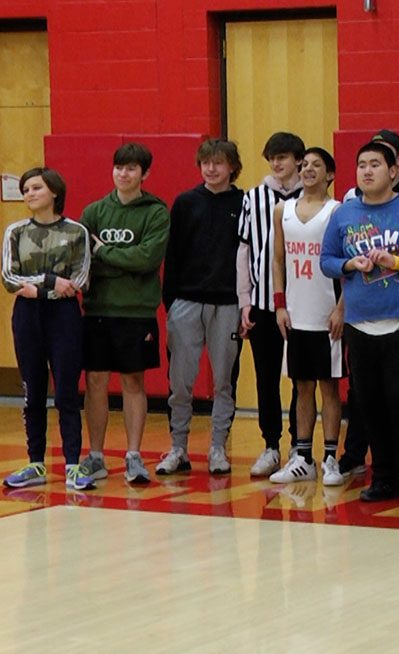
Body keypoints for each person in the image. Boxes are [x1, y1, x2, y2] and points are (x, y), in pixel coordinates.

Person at [320, 140, 399, 508]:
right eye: (361, 164)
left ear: (393, 171)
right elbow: (326, 260)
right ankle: (385, 477)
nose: (367, 171)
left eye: (375, 164)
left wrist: (398, 263)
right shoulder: (344, 214)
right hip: (361, 323)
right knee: (369, 403)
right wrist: (348, 265)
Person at [77, 143, 170, 488]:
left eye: (131, 169)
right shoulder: (94, 212)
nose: (123, 174)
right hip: (98, 309)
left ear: (144, 174)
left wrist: (107, 254)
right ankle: (96, 456)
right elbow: (87, 261)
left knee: (133, 382)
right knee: (96, 382)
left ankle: (133, 455)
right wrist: (120, 260)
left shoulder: (156, 212)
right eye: (119, 167)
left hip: (137, 312)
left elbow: (147, 259)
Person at [156, 138, 244, 477]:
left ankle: (218, 448)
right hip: (186, 302)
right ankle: (178, 447)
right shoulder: (185, 203)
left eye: (218, 163)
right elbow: (173, 255)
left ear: (232, 167)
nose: (211, 168)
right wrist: (173, 301)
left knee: (224, 380)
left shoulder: (245, 203)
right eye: (206, 162)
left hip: (229, 304)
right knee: (180, 382)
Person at [0, 167, 90, 489]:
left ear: (54, 191)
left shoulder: (76, 231)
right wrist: (50, 282)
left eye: (36, 187)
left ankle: (73, 465)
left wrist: (37, 286)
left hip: (64, 316)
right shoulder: (15, 232)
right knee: (33, 391)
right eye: (25, 189)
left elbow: (78, 280)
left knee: (66, 391)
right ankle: (35, 462)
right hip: (27, 315)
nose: (29, 194)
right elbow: (10, 279)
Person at [271, 147, 344, 486]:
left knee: (329, 387)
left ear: (329, 174)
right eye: (304, 165)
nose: (308, 169)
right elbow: (278, 261)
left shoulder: (338, 211)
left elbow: (346, 268)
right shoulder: (282, 210)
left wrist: (342, 308)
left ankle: (331, 457)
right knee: (302, 387)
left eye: (317, 165)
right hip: (296, 314)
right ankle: (303, 457)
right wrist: (280, 305)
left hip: (327, 313)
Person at [239, 131, 304, 478]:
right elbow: (244, 250)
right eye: (272, 158)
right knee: (266, 378)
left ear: (298, 159)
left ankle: (299, 446)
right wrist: (244, 301)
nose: (277, 164)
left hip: (302, 303)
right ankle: (270, 446)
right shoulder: (254, 197)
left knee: (299, 377)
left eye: (283, 157)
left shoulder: (314, 198)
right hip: (263, 303)